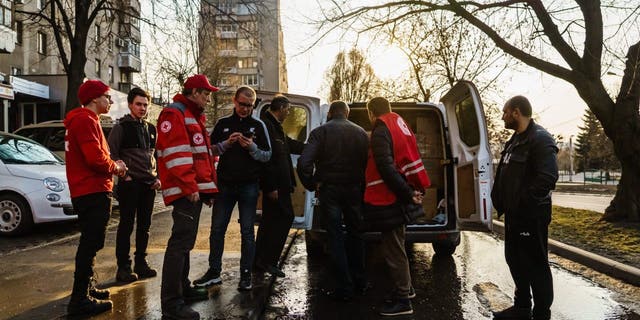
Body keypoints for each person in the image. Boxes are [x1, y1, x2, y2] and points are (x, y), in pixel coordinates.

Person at [156, 74, 221, 320]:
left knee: (185, 243)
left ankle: (182, 289)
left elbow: (199, 156)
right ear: (193, 92)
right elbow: (176, 156)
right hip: (184, 191)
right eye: (205, 93)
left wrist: (206, 190)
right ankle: (172, 305)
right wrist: (191, 187)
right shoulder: (175, 114)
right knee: (179, 244)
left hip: (191, 191)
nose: (208, 98)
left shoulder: (192, 115)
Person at [194, 86, 271, 291]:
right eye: (242, 104)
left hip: (249, 186)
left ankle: (246, 274)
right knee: (217, 229)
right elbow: (207, 151)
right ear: (234, 101)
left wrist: (252, 148)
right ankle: (214, 272)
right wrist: (226, 144)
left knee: (247, 231)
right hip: (225, 185)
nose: (246, 109)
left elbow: (267, 155)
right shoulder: (222, 123)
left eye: (250, 106)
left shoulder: (259, 125)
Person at [491, 95, 558, 320]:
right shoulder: (514, 141)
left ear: (516, 112)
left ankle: (541, 314)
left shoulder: (540, 139)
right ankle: (521, 308)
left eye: (505, 112)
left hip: (531, 216)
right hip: (514, 215)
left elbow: (547, 178)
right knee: (515, 260)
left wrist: (523, 203)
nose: (503, 117)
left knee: (536, 265)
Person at [64, 80, 128, 316]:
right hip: (92, 191)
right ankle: (79, 300)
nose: (110, 101)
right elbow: (96, 159)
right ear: (94, 99)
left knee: (92, 243)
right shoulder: (85, 120)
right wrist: (117, 167)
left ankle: (86, 290)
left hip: (89, 190)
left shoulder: (85, 120)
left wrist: (112, 164)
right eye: (107, 97)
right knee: (90, 244)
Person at [363, 97, 430, 316]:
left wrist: (407, 193)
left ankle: (403, 301)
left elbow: (385, 167)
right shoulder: (399, 124)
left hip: (389, 199)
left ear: (372, 112)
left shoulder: (382, 129)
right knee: (398, 244)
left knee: (394, 250)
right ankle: (407, 289)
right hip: (397, 198)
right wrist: (410, 191)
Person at [297, 100, 369, 301]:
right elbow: (367, 163)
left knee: (335, 236)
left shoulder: (320, 132)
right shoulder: (361, 133)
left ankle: (344, 287)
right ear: (347, 113)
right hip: (354, 189)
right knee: (356, 234)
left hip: (330, 190)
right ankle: (360, 282)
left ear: (330, 113)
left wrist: (312, 184)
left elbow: (304, 163)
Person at [108, 87, 161, 283]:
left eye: (145, 105)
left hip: (149, 185)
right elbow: (111, 155)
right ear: (130, 104)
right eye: (138, 104)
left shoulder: (151, 128)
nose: (142, 108)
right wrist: (125, 176)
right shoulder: (121, 127)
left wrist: (157, 177)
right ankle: (123, 268)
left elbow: (155, 155)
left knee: (145, 226)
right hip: (130, 185)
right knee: (126, 226)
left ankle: (141, 263)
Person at [254, 96, 305, 277]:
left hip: (280, 185)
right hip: (276, 186)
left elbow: (288, 145)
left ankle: (259, 260)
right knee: (283, 218)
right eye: (288, 109)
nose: (288, 113)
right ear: (282, 108)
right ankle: (269, 261)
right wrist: (270, 187)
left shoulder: (275, 127)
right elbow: (267, 160)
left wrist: (310, 147)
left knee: (270, 221)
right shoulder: (267, 126)